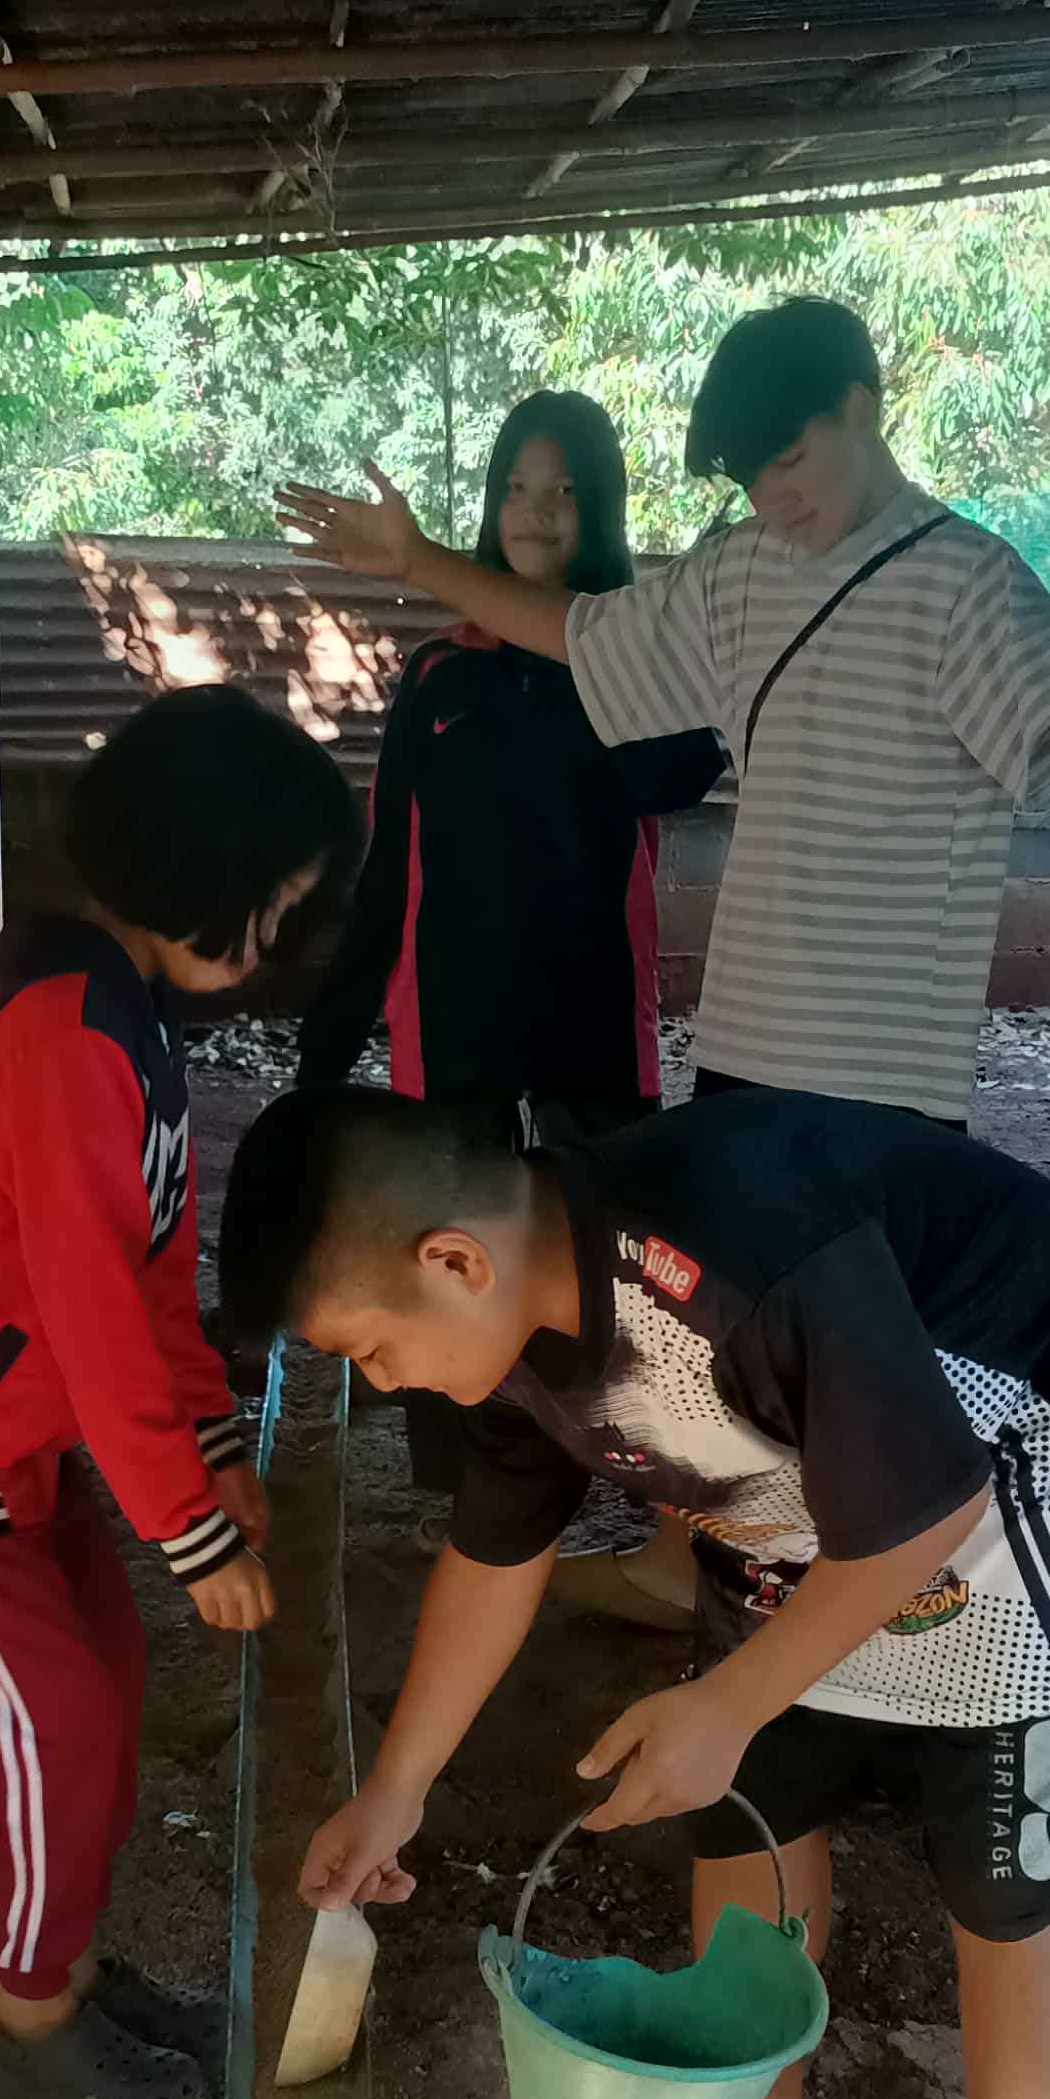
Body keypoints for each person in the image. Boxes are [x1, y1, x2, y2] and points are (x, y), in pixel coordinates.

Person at [216, 1081, 1050, 2099]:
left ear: (452, 1262)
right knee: (751, 1806)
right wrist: (396, 1787)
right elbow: (495, 1553)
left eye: (374, 1351)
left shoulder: (741, 1240)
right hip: (798, 1490)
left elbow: (937, 1506)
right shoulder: (507, 1338)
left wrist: (727, 1697)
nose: (389, 1384)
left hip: (1006, 1453)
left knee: (1010, 1871)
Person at [279, 292, 1050, 1133]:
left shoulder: (966, 579)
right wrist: (419, 561)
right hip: (742, 1048)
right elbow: (580, 633)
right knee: (734, 1357)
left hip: (890, 1074)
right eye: (748, 479)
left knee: (862, 1360)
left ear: (861, 410)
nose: (769, 500)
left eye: (786, 463)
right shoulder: (736, 571)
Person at [0, 686, 359, 2099]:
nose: (268, 940)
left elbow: (150, 1281)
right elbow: (85, 1307)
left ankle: (54, 1967)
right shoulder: (72, 1039)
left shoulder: (125, 1032)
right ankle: (17, 2027)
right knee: (51, 1723)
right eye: (269, 903)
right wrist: (190, 1527)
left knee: (101, 1696)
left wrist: (205, 1441)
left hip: (14, 1442)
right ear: (195, 865)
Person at [294, 386, 720, 1610]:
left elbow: (686, 766)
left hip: (593, 1047)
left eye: (564, 490)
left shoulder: (634, 667)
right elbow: (387, 884)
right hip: (460, 1051)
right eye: (516, 489)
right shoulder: (438, 679)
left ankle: (665, 1544)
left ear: (599, 509)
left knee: (627, 1296)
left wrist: (603, 640)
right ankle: (485, 1533)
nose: (536, 511)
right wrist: (325, 1060)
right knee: (455, 1278)